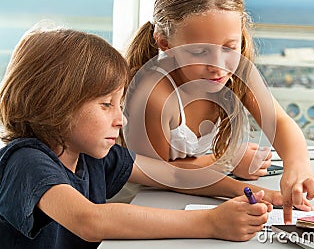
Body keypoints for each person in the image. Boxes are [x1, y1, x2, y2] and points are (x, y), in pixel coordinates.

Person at [0, 26, 275, 248]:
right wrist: (210, 223)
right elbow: (90, 220)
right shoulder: (26, 162)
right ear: (54, 104)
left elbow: (174, 176)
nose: (121, 119)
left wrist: (264, 196)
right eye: (106, 104)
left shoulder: (90, 155)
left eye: (119, 105)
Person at [124, 0, 314, 224]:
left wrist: (298, 167)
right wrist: (227, 163)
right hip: (135, 207)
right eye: (200, 52)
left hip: (182, 198)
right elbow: (161, 175)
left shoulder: (238, 71)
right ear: (165, 44)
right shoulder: (154, 95)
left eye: (229, 47)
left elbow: (279, 121)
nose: (218, 64)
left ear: (241, 33)